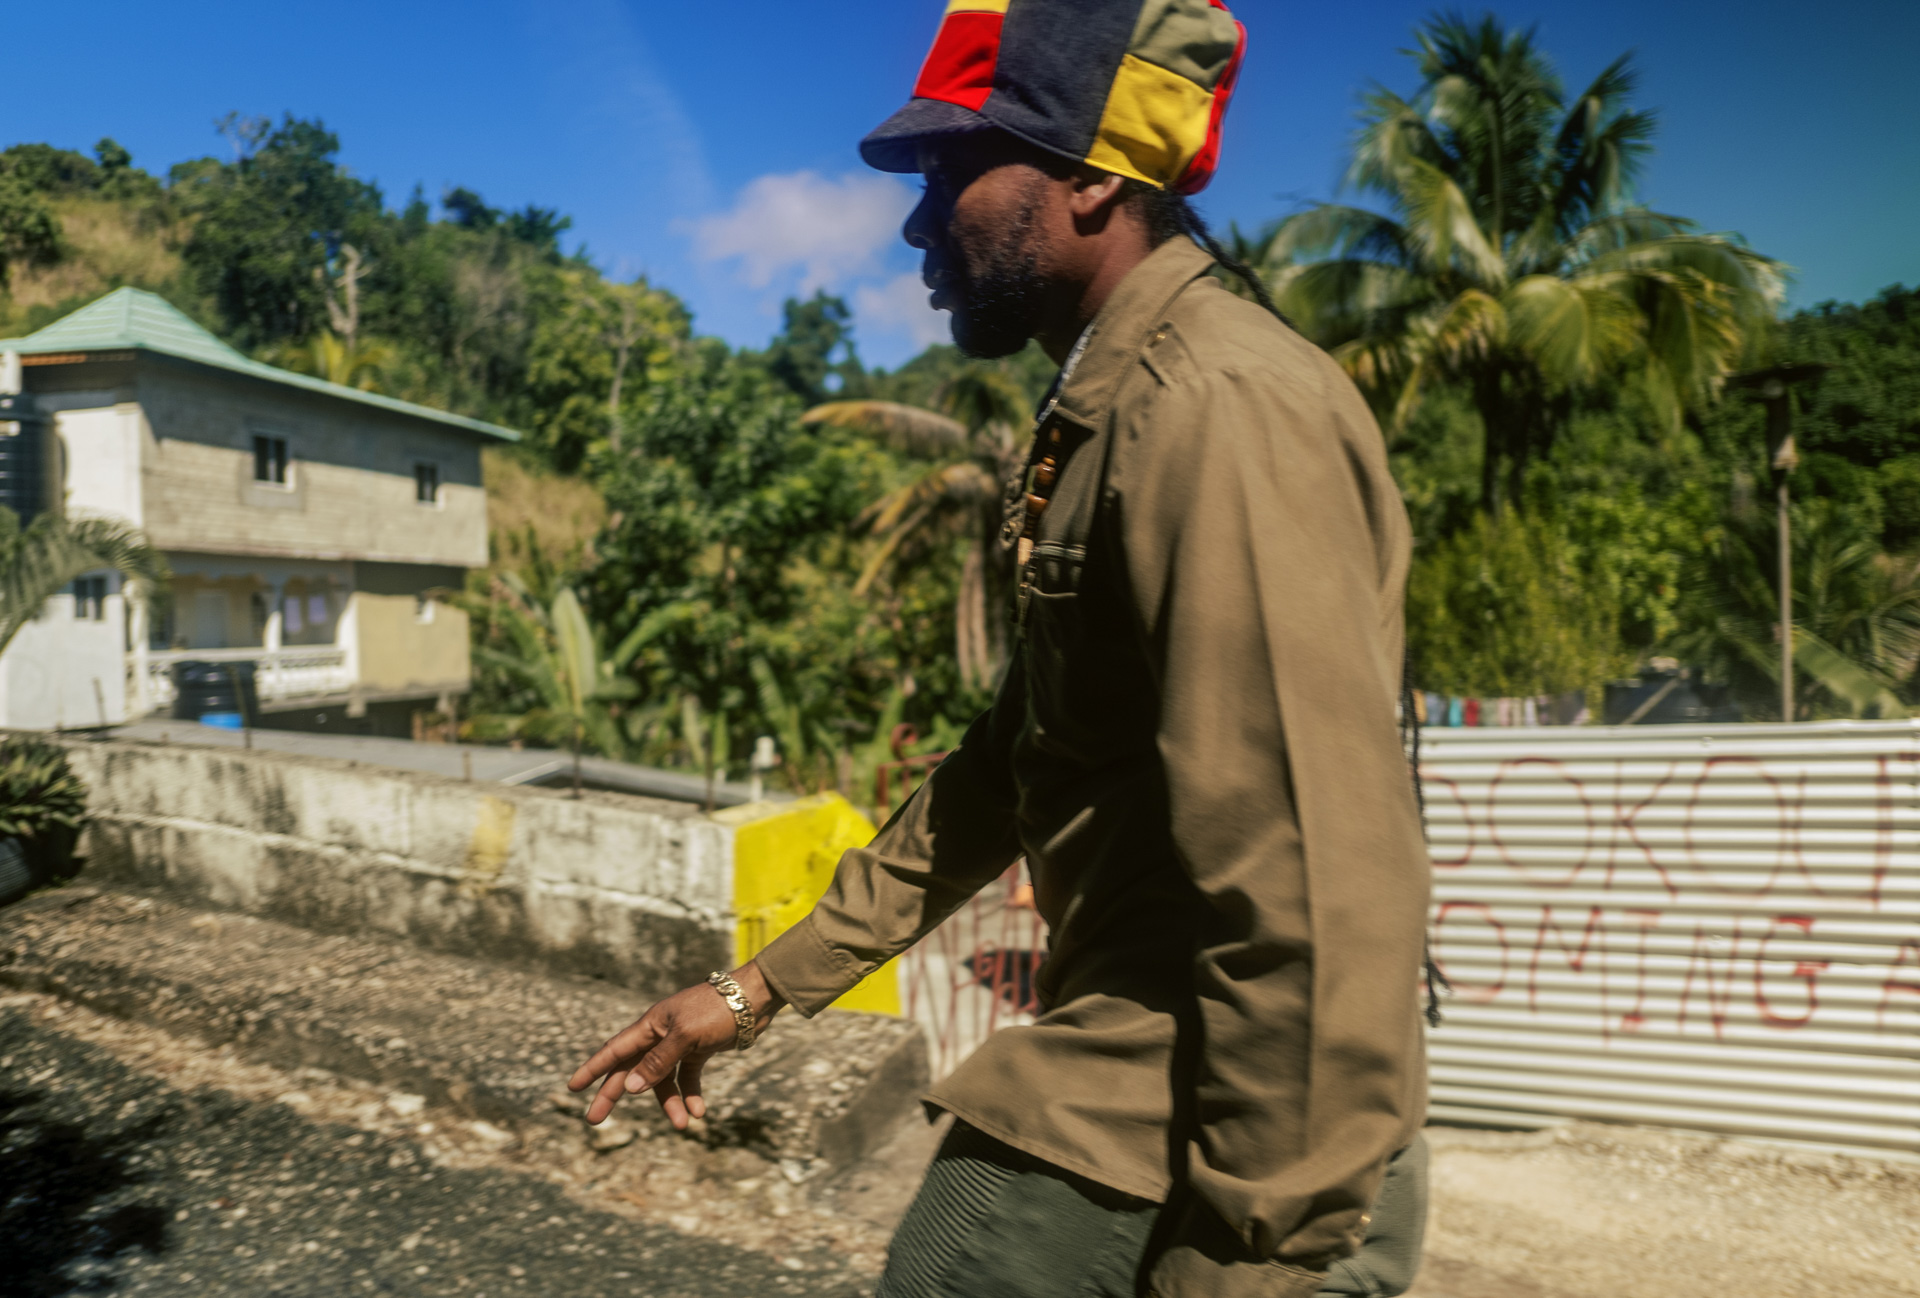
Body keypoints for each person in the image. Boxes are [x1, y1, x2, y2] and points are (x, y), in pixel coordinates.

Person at [570, 3, 1433, 1294]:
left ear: (1091, 176)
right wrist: (757, 990)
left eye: (956, 169)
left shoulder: (1213, 408)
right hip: (1167, 1094)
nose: (919, 221)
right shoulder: (1109, 407)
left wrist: (1259, 1250)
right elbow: (1012, 765)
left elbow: (1308, 880)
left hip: (1217, 1128)